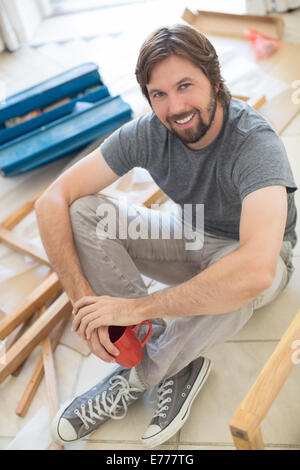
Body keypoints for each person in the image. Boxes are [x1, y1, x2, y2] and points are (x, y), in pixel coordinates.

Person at [35, 24, 297, 448]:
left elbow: (256, 269)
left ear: (214, 78)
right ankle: (168, 352)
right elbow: (52, 200)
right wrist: (86, 305)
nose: (174, 107)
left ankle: (137, 377)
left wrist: (134, 305)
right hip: (190, 231)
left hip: (259, 255)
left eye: (185, 86)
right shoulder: (150, 133)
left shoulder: (255, 145)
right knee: (84, 211)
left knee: (237, 286)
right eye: (159, 94)